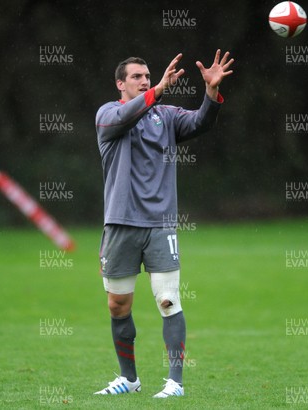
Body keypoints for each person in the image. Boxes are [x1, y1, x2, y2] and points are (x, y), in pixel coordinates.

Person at [93, 50, 234, 398]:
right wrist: (156, 90)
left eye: (147, 75)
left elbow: (201, 121)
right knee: (117, 306)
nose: (143, 80)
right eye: (137, 76)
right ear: (120, 83)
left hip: (160, 224)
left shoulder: (166, 116)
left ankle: (175, 383)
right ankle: (129, 379)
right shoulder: (108, 114)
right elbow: (124, 116)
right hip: (120, 223)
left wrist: (211, 93)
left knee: (168, 299)